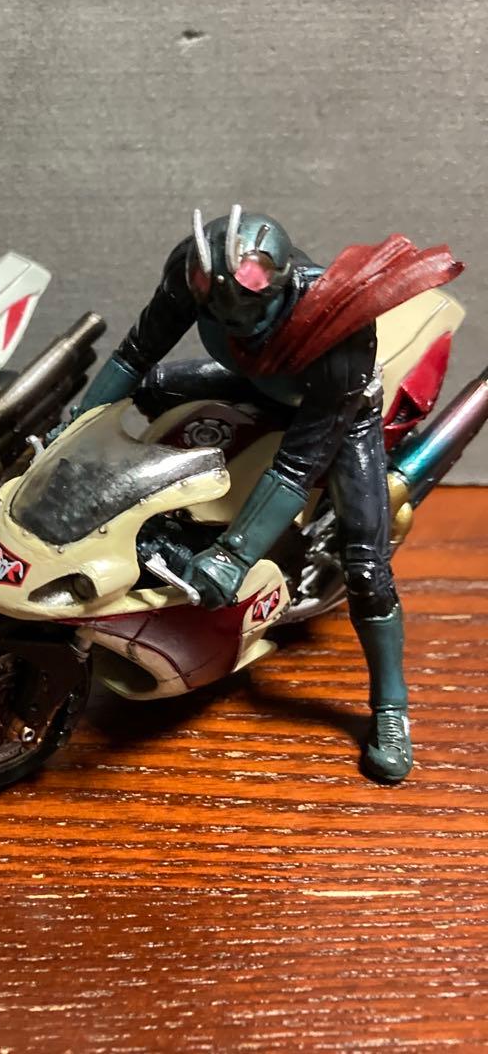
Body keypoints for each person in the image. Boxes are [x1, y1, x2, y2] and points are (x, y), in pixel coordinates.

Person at [76, 206, 462, 782]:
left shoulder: (336, 326)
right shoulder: (194, 274)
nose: (238, 323)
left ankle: (391, 708)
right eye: (221, 311)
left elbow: (298, 465)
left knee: (365, 564)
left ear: (279, 286)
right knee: (153, 388)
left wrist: (233, 557)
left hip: (337, 408)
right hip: (258, 382)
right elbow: (134, 356)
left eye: (253, 311)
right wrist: (75, 432)